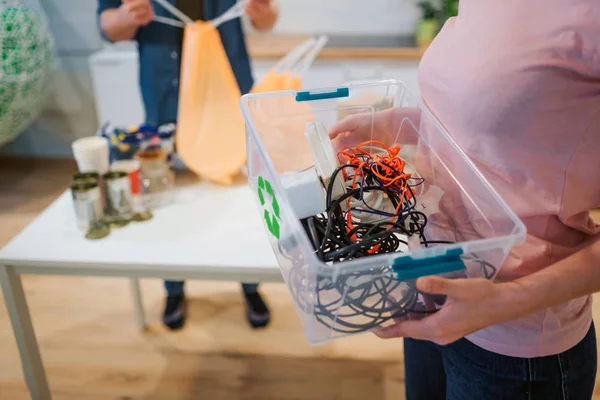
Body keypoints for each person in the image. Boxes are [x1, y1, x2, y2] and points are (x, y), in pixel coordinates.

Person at [330, 0, 600, 398]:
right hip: (431, 283)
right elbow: (503, 133)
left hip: (515, 344)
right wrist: (401, 123)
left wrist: (504, 300)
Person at [97, 0, 278, 330]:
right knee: (166, 202)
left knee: (238, 203)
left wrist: (263, 12)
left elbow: (267, 19)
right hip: (165, 103)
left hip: (229, 96)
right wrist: (125, 17)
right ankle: (174, 287)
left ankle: (250, 284)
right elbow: (107, 24)